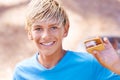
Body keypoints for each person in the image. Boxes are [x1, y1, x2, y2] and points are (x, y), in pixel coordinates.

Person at [13, 0, 120, 80]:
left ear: (65, 29)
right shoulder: (22, 72)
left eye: (53, 27)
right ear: (29, 33)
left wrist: (116, 65)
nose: (45, 36)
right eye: (38, 28)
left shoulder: (91, 64)